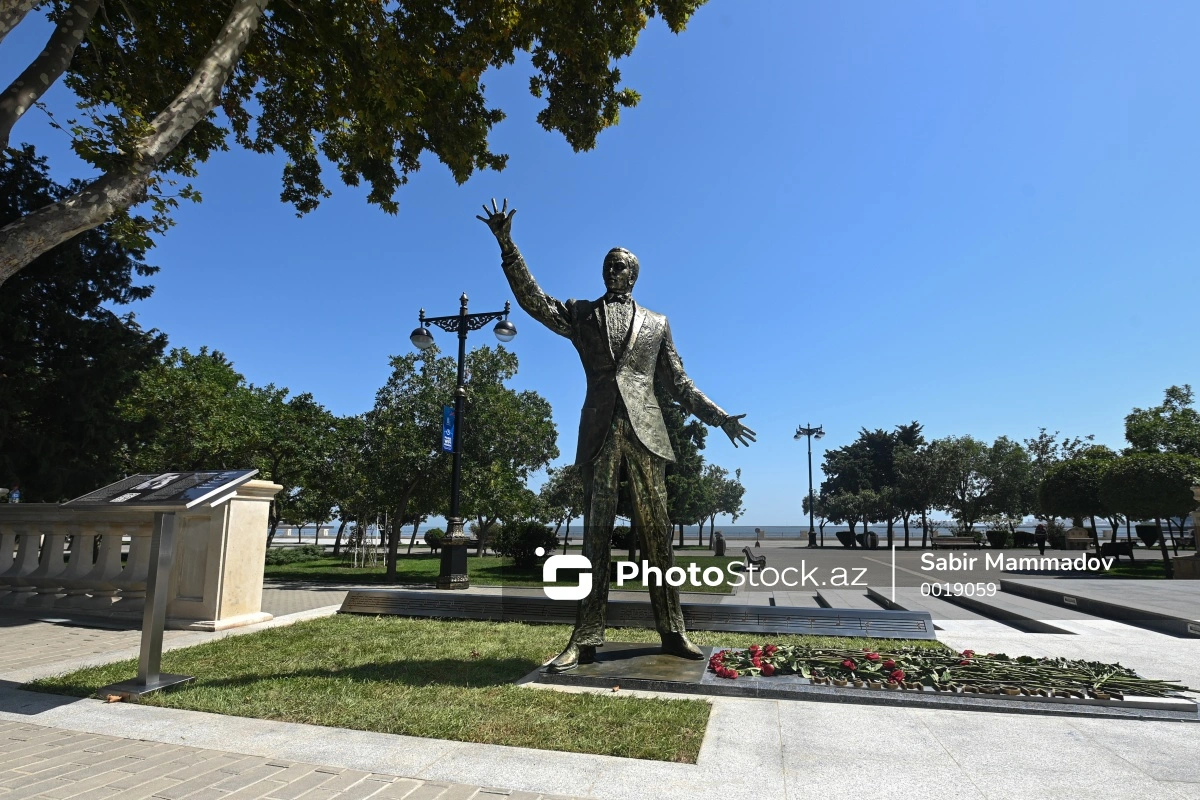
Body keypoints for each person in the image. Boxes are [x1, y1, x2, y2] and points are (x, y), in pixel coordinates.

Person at [480, 198, 755, 673]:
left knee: (658, 537)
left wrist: (720, 416)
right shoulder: (582, 314)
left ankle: (672, 631)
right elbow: (533, 300)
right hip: (600, 431)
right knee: (596, 537)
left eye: (621, 267)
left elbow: (680, 383)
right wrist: (507, 245)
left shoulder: (658, 323)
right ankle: (584, 638)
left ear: (634, 275)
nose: (613, 271)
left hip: (646, 433)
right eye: (607, 265)